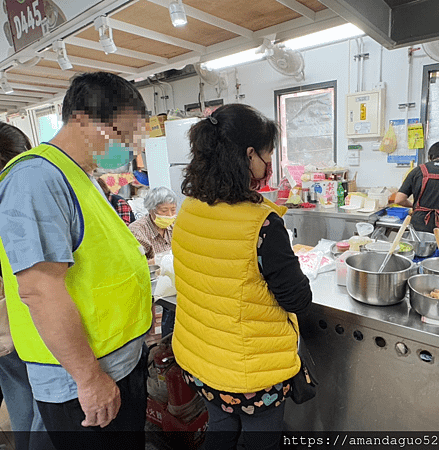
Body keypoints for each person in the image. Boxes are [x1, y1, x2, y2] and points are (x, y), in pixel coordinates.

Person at [0, 72, 152, 450]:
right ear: (84, 120)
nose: (130, 147)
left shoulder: (77, 174)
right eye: (124, 133)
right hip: (84, 377)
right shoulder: (36, 178)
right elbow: (39, 289)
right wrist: (88, 379)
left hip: (114, 364)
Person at [171, 104, 312, 450]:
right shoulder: (262, 225)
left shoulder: (188, 208)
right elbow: (297, 299)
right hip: (251, 373)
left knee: (220, 431)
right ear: (249, 155)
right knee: (258, 441)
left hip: (201, 361)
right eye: (267, 156)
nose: (268, 165)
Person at [0, 122, 55, 450]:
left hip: (5, 333)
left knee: (19, 396)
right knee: (44, 408)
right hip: (19, 323)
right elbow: (34, 281)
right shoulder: (14, 201)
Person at [128, 186, 177, 263]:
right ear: (151, 210)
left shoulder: (177, 223)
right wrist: (160, 261)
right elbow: (136, 264)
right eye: (164, 211)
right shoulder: (137, 230)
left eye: (173, 210)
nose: (170, 215)